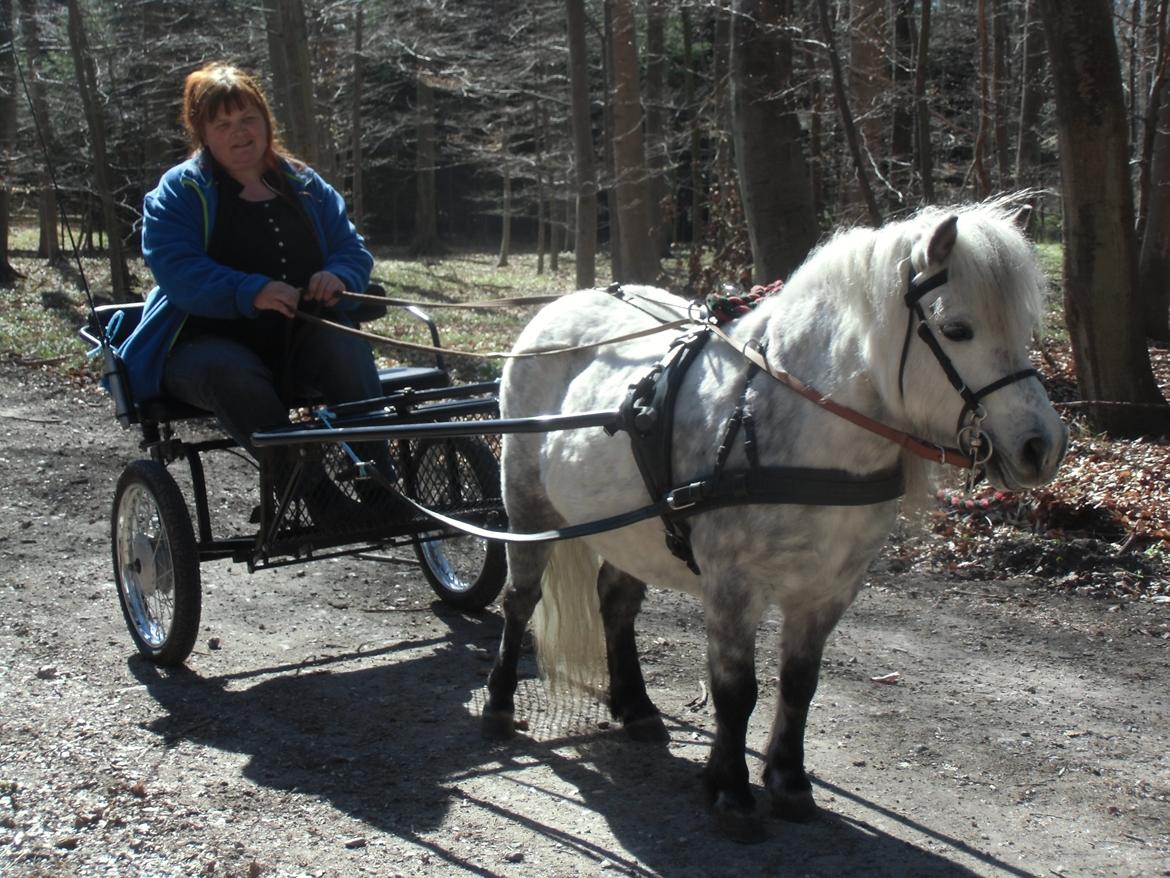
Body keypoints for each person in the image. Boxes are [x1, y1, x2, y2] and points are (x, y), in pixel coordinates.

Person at [118, 62, 385, 523]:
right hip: (199, 344)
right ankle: (315, 495)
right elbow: (179, 271)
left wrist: (339, 274)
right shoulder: (180, 192)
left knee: (345, 343)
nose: (239, 134)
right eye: (222, 125)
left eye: (248, 120)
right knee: (231, 372)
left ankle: (381, 483)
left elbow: (350, 248)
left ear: (265, 121)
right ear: (202, 132)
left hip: (297, 336)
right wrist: (252, 290)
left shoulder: (303, 184)